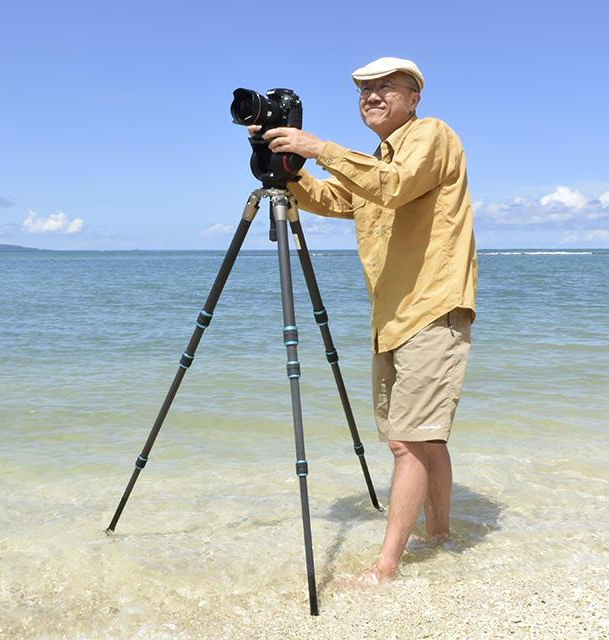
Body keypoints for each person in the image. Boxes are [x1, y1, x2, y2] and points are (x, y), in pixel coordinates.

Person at [249, 57, 477, 587]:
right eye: (364, 90)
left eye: (384, 88)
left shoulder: (432, 136)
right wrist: (283, 160)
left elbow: (394, 186)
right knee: (425, 439)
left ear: (414, 97)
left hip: (432, 307)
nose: (371, 96)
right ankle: (438, 535)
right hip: (393, 315)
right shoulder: (373, 158)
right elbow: (338, 199)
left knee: (408, 442)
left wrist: (319, 147)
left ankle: (384, 568)